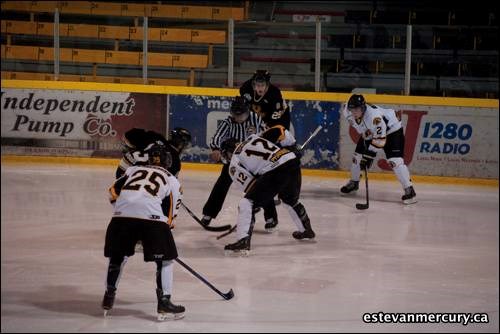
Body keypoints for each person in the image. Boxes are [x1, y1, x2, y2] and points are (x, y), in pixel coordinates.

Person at [102, 144, 185, 321]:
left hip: (120, 219)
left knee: (117, 257)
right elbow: (170, 218)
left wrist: (125, 212)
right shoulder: (173, 181)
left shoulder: (133, 170)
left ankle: (109, 295)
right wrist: (157, 236)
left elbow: (112, 192)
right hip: (152, 222)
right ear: (167, 161)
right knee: (165, 260)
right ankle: (164, 301)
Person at [221, 125, 315, 256]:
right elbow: (279, 130)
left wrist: (257, 201)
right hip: (291, 160)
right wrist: (292, 146)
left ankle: (243, 240)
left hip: (275, 170)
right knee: (290, 200)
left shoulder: (234, 162)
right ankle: (307, 230)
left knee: (247, 203)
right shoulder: (253, 138)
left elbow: (250, 186)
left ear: (228, 152)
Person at [200, 96, 280, 231]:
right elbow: (217, 137)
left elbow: (267, 135)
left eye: (240, 114)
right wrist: (215, 149)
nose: (237, 117)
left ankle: (271, 217)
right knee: (222, 184)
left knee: (262, 185)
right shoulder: (228, 122)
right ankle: (208, 214)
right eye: (234, 114)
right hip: (233, 159)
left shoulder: (256, 119)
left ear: (247, 111)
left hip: (254, 160)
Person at [340, 94, 417, 204]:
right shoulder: (347, 110)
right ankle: (354, 182)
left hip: (392, 130)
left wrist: (369, 156)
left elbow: (380, 140)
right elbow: (364, 129)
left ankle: (410, 190)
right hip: (371, 131)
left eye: (357, 109)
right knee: (357, 157)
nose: (354, 112)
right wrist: (365, 154)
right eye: (352, 109)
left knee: (395, 161)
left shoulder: (374, 117)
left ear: (363, 107)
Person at [116, 127, 192, 178]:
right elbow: (170, 186)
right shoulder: (176, 162)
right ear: (181, 144)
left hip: (125, 172)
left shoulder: (156, 137)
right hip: (147, 187)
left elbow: (131, 134)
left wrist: (130, 147)